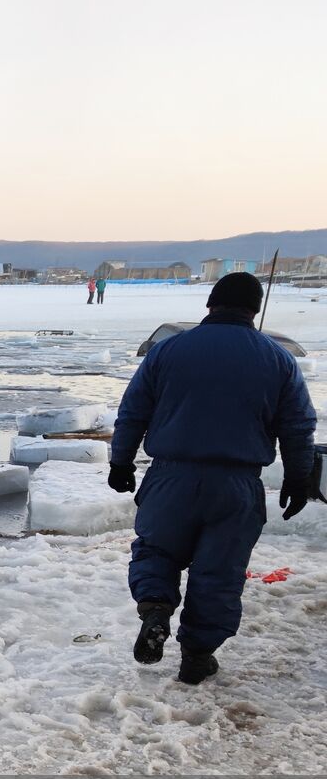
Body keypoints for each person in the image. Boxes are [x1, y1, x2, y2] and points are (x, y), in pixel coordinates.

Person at [108, 272, 317, 685]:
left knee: (157, 551)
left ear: (210, 303)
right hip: (236, 486)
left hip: (171, 478)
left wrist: (121, 463)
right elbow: (298, 426)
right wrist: (298, 477)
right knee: (219, 571)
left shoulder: (166, 352)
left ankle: (154, 608)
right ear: (254, 309)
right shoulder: (277, 359)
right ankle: (197, 657)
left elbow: (133, 412)